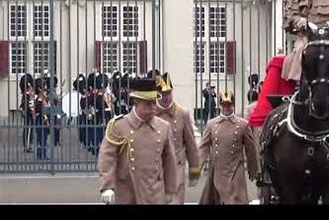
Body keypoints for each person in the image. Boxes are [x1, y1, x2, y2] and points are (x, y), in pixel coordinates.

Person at [98, 77, 178, 205]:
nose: (153, 107)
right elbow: (107, 157)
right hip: (127, 190)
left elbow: (170, 161)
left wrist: (170, 189)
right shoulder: (119, 126)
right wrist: (107, 187)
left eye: (154, 102)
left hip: (154, 192)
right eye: (148, 103)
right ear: (136, 102)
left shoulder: (163, 127)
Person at [198, 91, 259, 204]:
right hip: (217, 169)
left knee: (236, 200)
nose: (226, 107)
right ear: (220, 105)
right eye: (224, 104)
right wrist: (197, 166)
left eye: (229, 104)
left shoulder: (243, 125)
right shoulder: (212, 124)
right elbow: (203, 147)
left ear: (233, 105)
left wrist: (253, 169)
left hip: (236, 169)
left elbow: (251, 149)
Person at [155, 72, 200, 204]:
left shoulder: (182, 113)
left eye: (168, 93)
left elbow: (191, 144)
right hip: (156, 167)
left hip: (177, 165)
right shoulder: (151, 114)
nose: (166, 97)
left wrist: (194, 171)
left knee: (175, 199)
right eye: (163, 94)